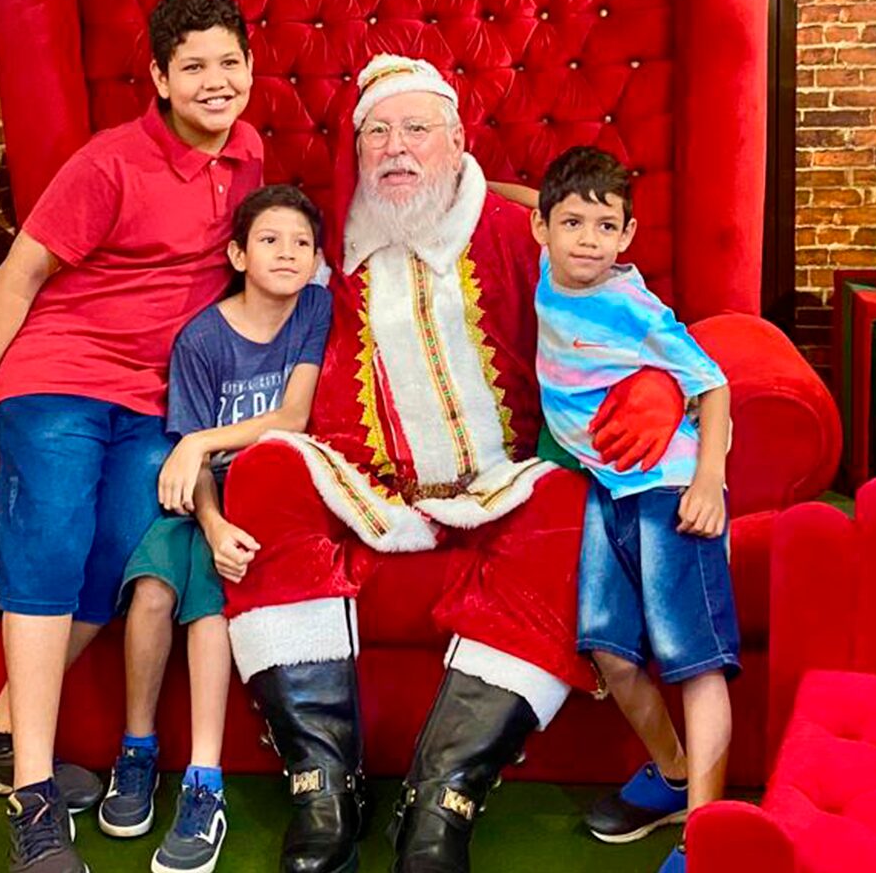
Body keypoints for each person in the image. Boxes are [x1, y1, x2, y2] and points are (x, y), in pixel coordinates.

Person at [219, 54, 691, 873]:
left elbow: (618, 305)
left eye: (415, 129)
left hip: (505, 485)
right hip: (367, 486)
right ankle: (322, 785)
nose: (395, 149)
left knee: (568, 507)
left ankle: (442, 802)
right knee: (265, 474)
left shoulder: (522, 236)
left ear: (458, 141)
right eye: (377, 133)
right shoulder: (323, 254)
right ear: (356, 152)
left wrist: (659, 385)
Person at [0, 0, 263, 873]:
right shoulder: (109, 163)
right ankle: (34, 800)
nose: (214, 81)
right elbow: (19, 276)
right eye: (192, 66)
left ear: (249, 68)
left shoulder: (248, 155)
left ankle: (1, 734)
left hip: (156, 402)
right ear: (159, 79)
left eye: (228, 62)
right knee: (51, 534)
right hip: (55, 378)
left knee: (126, 549)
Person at [103, 185, 332, 873]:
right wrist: (208, 506)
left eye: (301, 243)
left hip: (271, 493)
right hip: (205, 498)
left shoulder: (314, 309)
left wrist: (200, 441)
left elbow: (293, 417)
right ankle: (136, 750)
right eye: (269, 240)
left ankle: (205, 783)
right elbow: (190, 466)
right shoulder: (202, 338)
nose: (287, 253)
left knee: (207, 603)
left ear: (317, 259)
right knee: (150, 593)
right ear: (237, 253)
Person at [530, 147, 737, 873]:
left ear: (627, 237)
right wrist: (463, 168)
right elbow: (528, 195)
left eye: (605, 226)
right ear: (541, 229)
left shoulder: (633, 307)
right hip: (605, 489)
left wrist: (708, 481)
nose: (587, 238)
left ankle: (706, 833)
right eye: (572, 222)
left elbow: (713, 387)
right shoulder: (546, 274)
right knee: (611, 655)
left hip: (671, 486)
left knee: (694, 660)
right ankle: (674, 775)